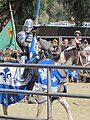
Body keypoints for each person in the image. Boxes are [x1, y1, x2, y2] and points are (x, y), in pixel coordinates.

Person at [17, 18, 39, 103]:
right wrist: (30, 36)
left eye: (30, 27)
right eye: (27, 26)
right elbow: (24, 44)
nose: (28, 28)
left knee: (38, 74)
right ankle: (27, 95)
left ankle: (31, 94)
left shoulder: (34, 36)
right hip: (24, 58)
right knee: (29, 75)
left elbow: (35, 48)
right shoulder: (21, 34)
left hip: (34, 59)